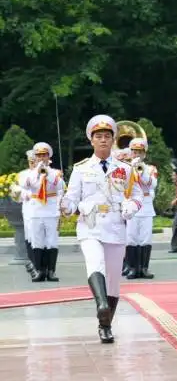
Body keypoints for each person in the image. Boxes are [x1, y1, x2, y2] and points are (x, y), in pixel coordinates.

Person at [61, 115, 144, 343]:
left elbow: (137, 196)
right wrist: (66, 205)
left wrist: (130, 206)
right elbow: (71, 198)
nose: (103, 140)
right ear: (92, 141)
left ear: (113, 140)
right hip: (90, 226)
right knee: (94, 263)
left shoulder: (125, 169)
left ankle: (105, 324)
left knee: (114, 280)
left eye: (107, 136)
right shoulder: (81, 169)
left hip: (116, 226)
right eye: (99, 137)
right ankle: (101, 304)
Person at [23, 142, 65, 282]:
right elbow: (26, 184)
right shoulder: (31, 173)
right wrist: (37, 171)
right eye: (39, 155)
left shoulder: (55, 173)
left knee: (51, 242)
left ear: (49, 156)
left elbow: (60, 186)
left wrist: (48, 173)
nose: (41, 158)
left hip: (51, 211)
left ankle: (51, 271)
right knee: (37, 242)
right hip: (36, 211)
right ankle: (39, 270)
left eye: (44, 155)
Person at [124, 138, 158, 279]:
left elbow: (152, 185)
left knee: (145, 239)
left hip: (146, 207)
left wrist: (141, 170)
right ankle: (132, 268)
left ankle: (144, 268)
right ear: (130, 153)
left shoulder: (150, 169)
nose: (136, 154)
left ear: (144, 154)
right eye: (134, 151)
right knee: (131, 238)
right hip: (131, 206)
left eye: (139, 152)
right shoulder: (124, 167)